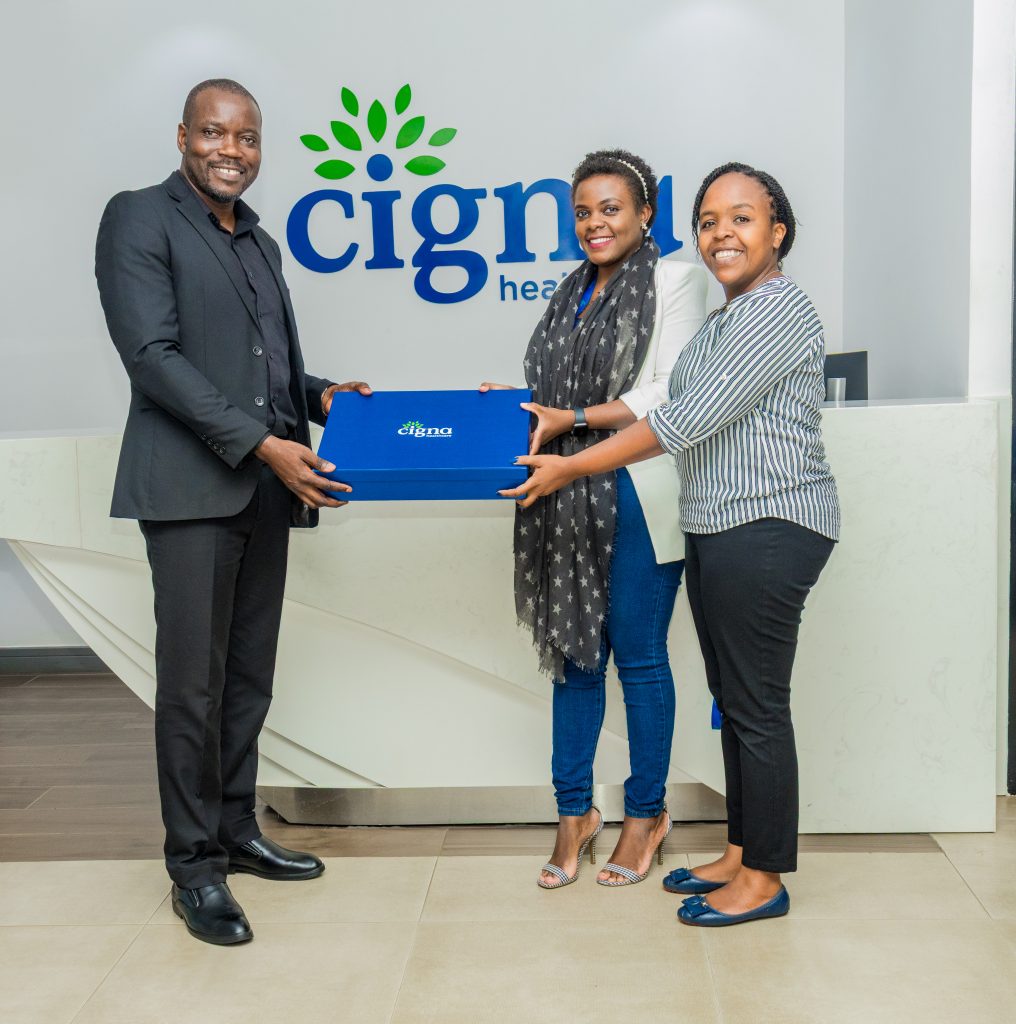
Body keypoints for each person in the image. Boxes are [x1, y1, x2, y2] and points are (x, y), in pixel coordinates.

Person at [503, 162, 839, 926]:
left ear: (777, 232)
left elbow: (681, 419)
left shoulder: (777, 311)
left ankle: (765, 879)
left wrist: (570, 464)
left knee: (757, 710)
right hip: (723, 523)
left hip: (770, 523)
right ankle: (741, 853)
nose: (723, 233)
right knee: (736, 699)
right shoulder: (732, 313)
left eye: (742, 218)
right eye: (711, 220)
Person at [95, 78, 370, 946]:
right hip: (189, 491)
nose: (231, 151)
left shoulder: (260, 241)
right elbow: (155, 358)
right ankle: (194, 867)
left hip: (263, 491)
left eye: (247, 138)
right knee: (193, 687)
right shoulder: (138, 217)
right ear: (184, 136)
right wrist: (261, 443)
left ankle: (238, 829)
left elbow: (268, 366)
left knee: (248, 679)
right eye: (214, 134)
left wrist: (329, 400)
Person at [483, 149, 707, 888]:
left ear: (645, 213)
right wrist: (508, 405)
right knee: (576, 660)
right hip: (566, 498)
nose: (595, 223)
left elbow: (668, 391)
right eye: (582, 212)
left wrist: (571, 416)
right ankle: (574, 813)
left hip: (642, 491)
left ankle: (646, 815)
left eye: (611, 208)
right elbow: (555, 393)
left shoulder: (677, 279)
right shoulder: (569, 291)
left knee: (638, 660)